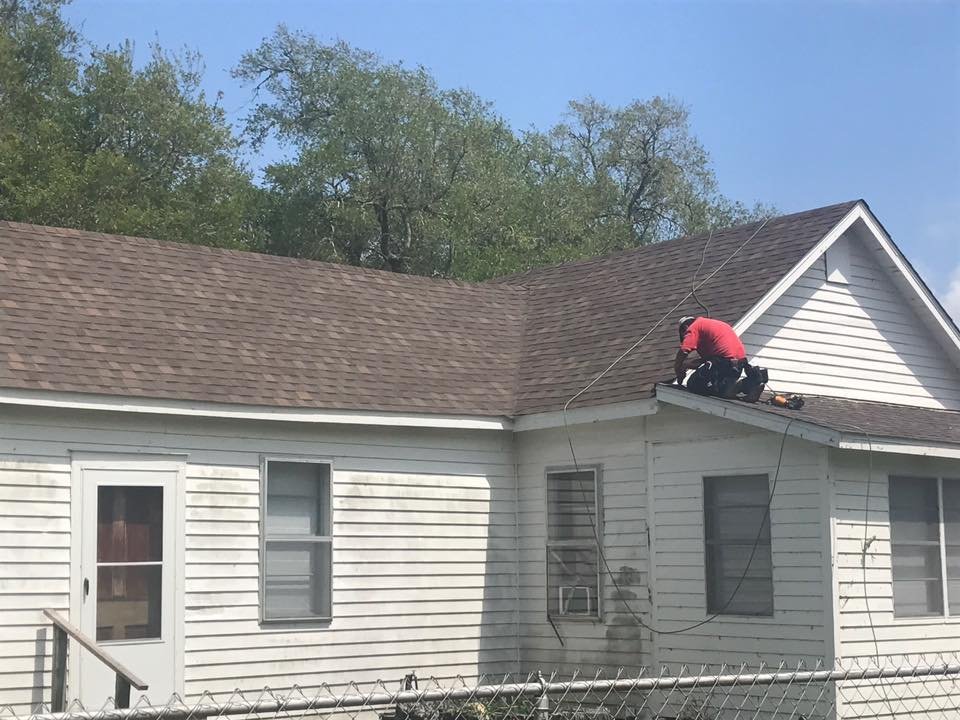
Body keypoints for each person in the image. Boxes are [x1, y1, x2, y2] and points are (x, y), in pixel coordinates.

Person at [674, 315, 750, 398]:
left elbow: (684, 350)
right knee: (718, 385)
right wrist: (687, 365)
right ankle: (748, 385)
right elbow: (710, 360)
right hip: (738, 365)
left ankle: (728, 387)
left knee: (694, 384)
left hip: (724, 362)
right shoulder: (711, 325)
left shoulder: (693, 327)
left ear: (685, 327)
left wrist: (678, 368)